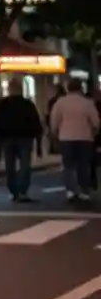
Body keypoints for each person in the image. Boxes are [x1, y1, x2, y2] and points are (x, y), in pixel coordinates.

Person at [47, 79, 99, 207]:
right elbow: (96, 122)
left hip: (66, 138)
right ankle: (84, 190)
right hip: (85, 137)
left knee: (68, 165)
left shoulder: (60, 103)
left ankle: (70, 190)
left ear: (68, 89)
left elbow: (54, 121)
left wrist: (55, 134)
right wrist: (93, 133)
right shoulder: (87, 103)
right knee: (84, 165)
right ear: (81, 88)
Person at [0, 78, 44, 202]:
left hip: (7, 138)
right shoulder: (27, 104)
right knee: (25, 164)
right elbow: (35, 123)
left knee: (10, 166)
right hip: (25, 138)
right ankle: (22, 190)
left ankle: (14, 190)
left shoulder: (2, 105)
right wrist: (39, 143)